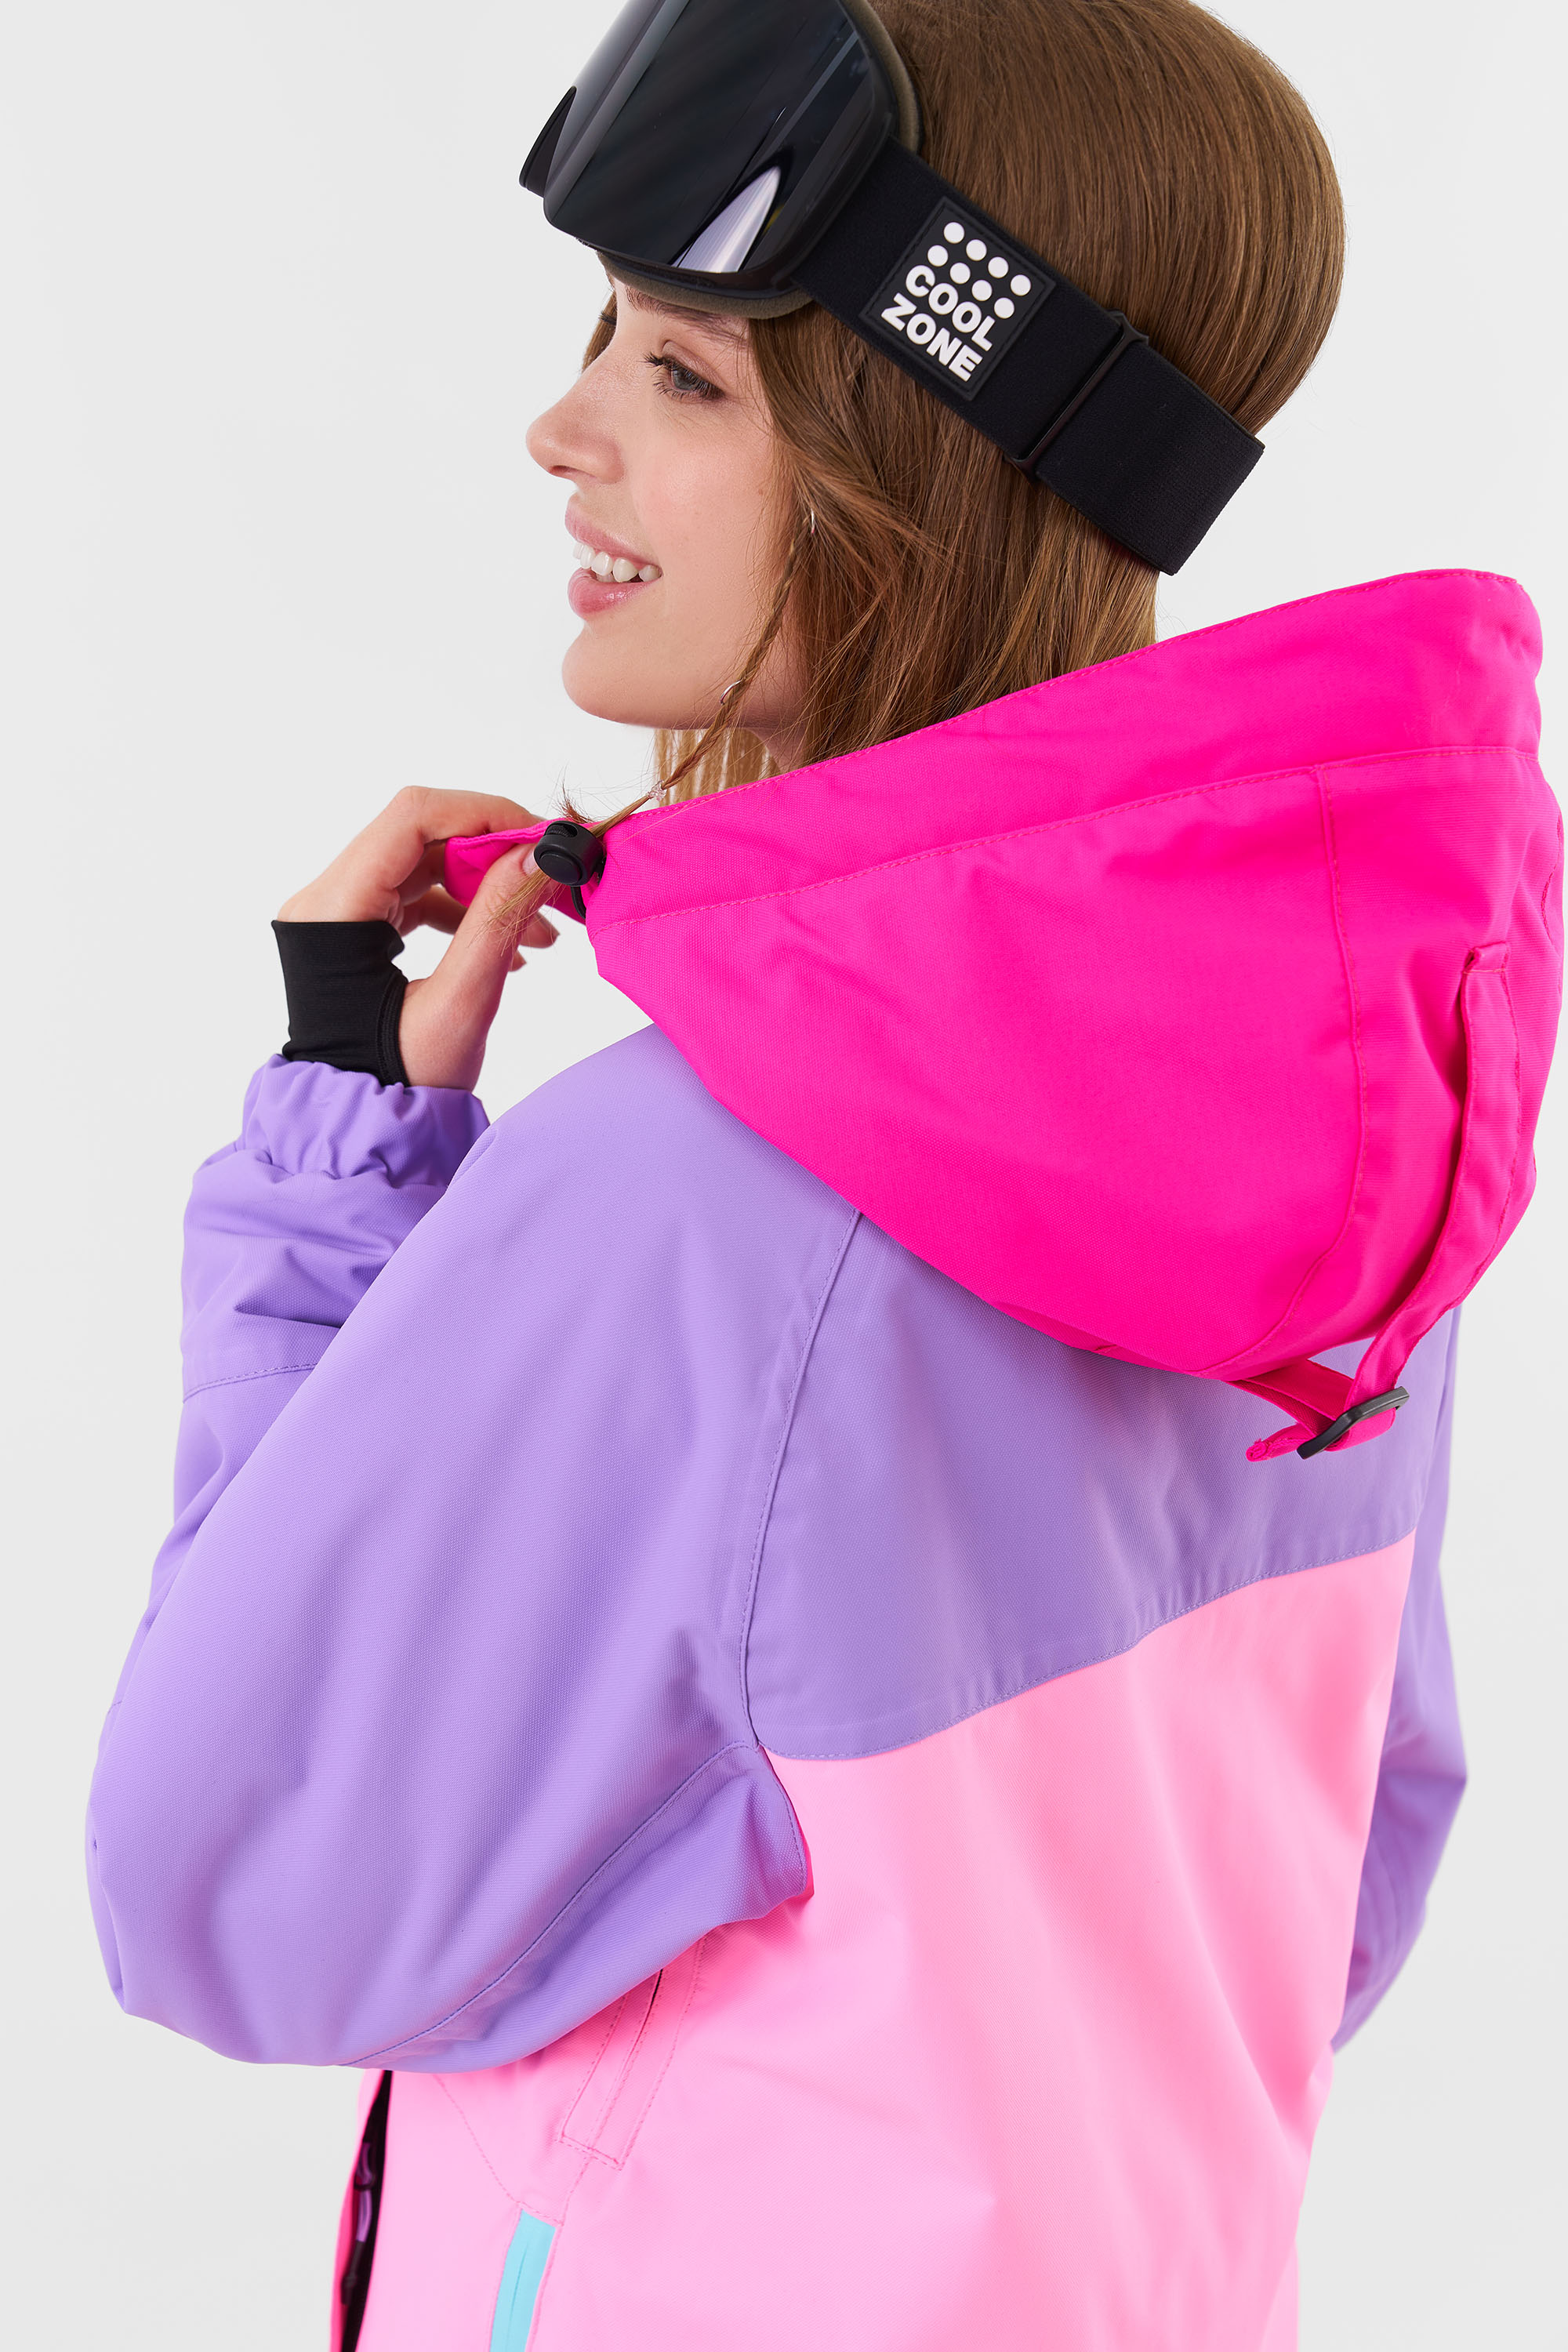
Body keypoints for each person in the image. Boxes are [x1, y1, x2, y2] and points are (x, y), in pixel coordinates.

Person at [85, 3, 1559, 2347]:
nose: (561, 428)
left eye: (685, 374)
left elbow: (237, 1887)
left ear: (918, 460)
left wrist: (332, 1180)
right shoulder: (1349, 1118)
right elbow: (1338, 1893)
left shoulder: (698, 1190)